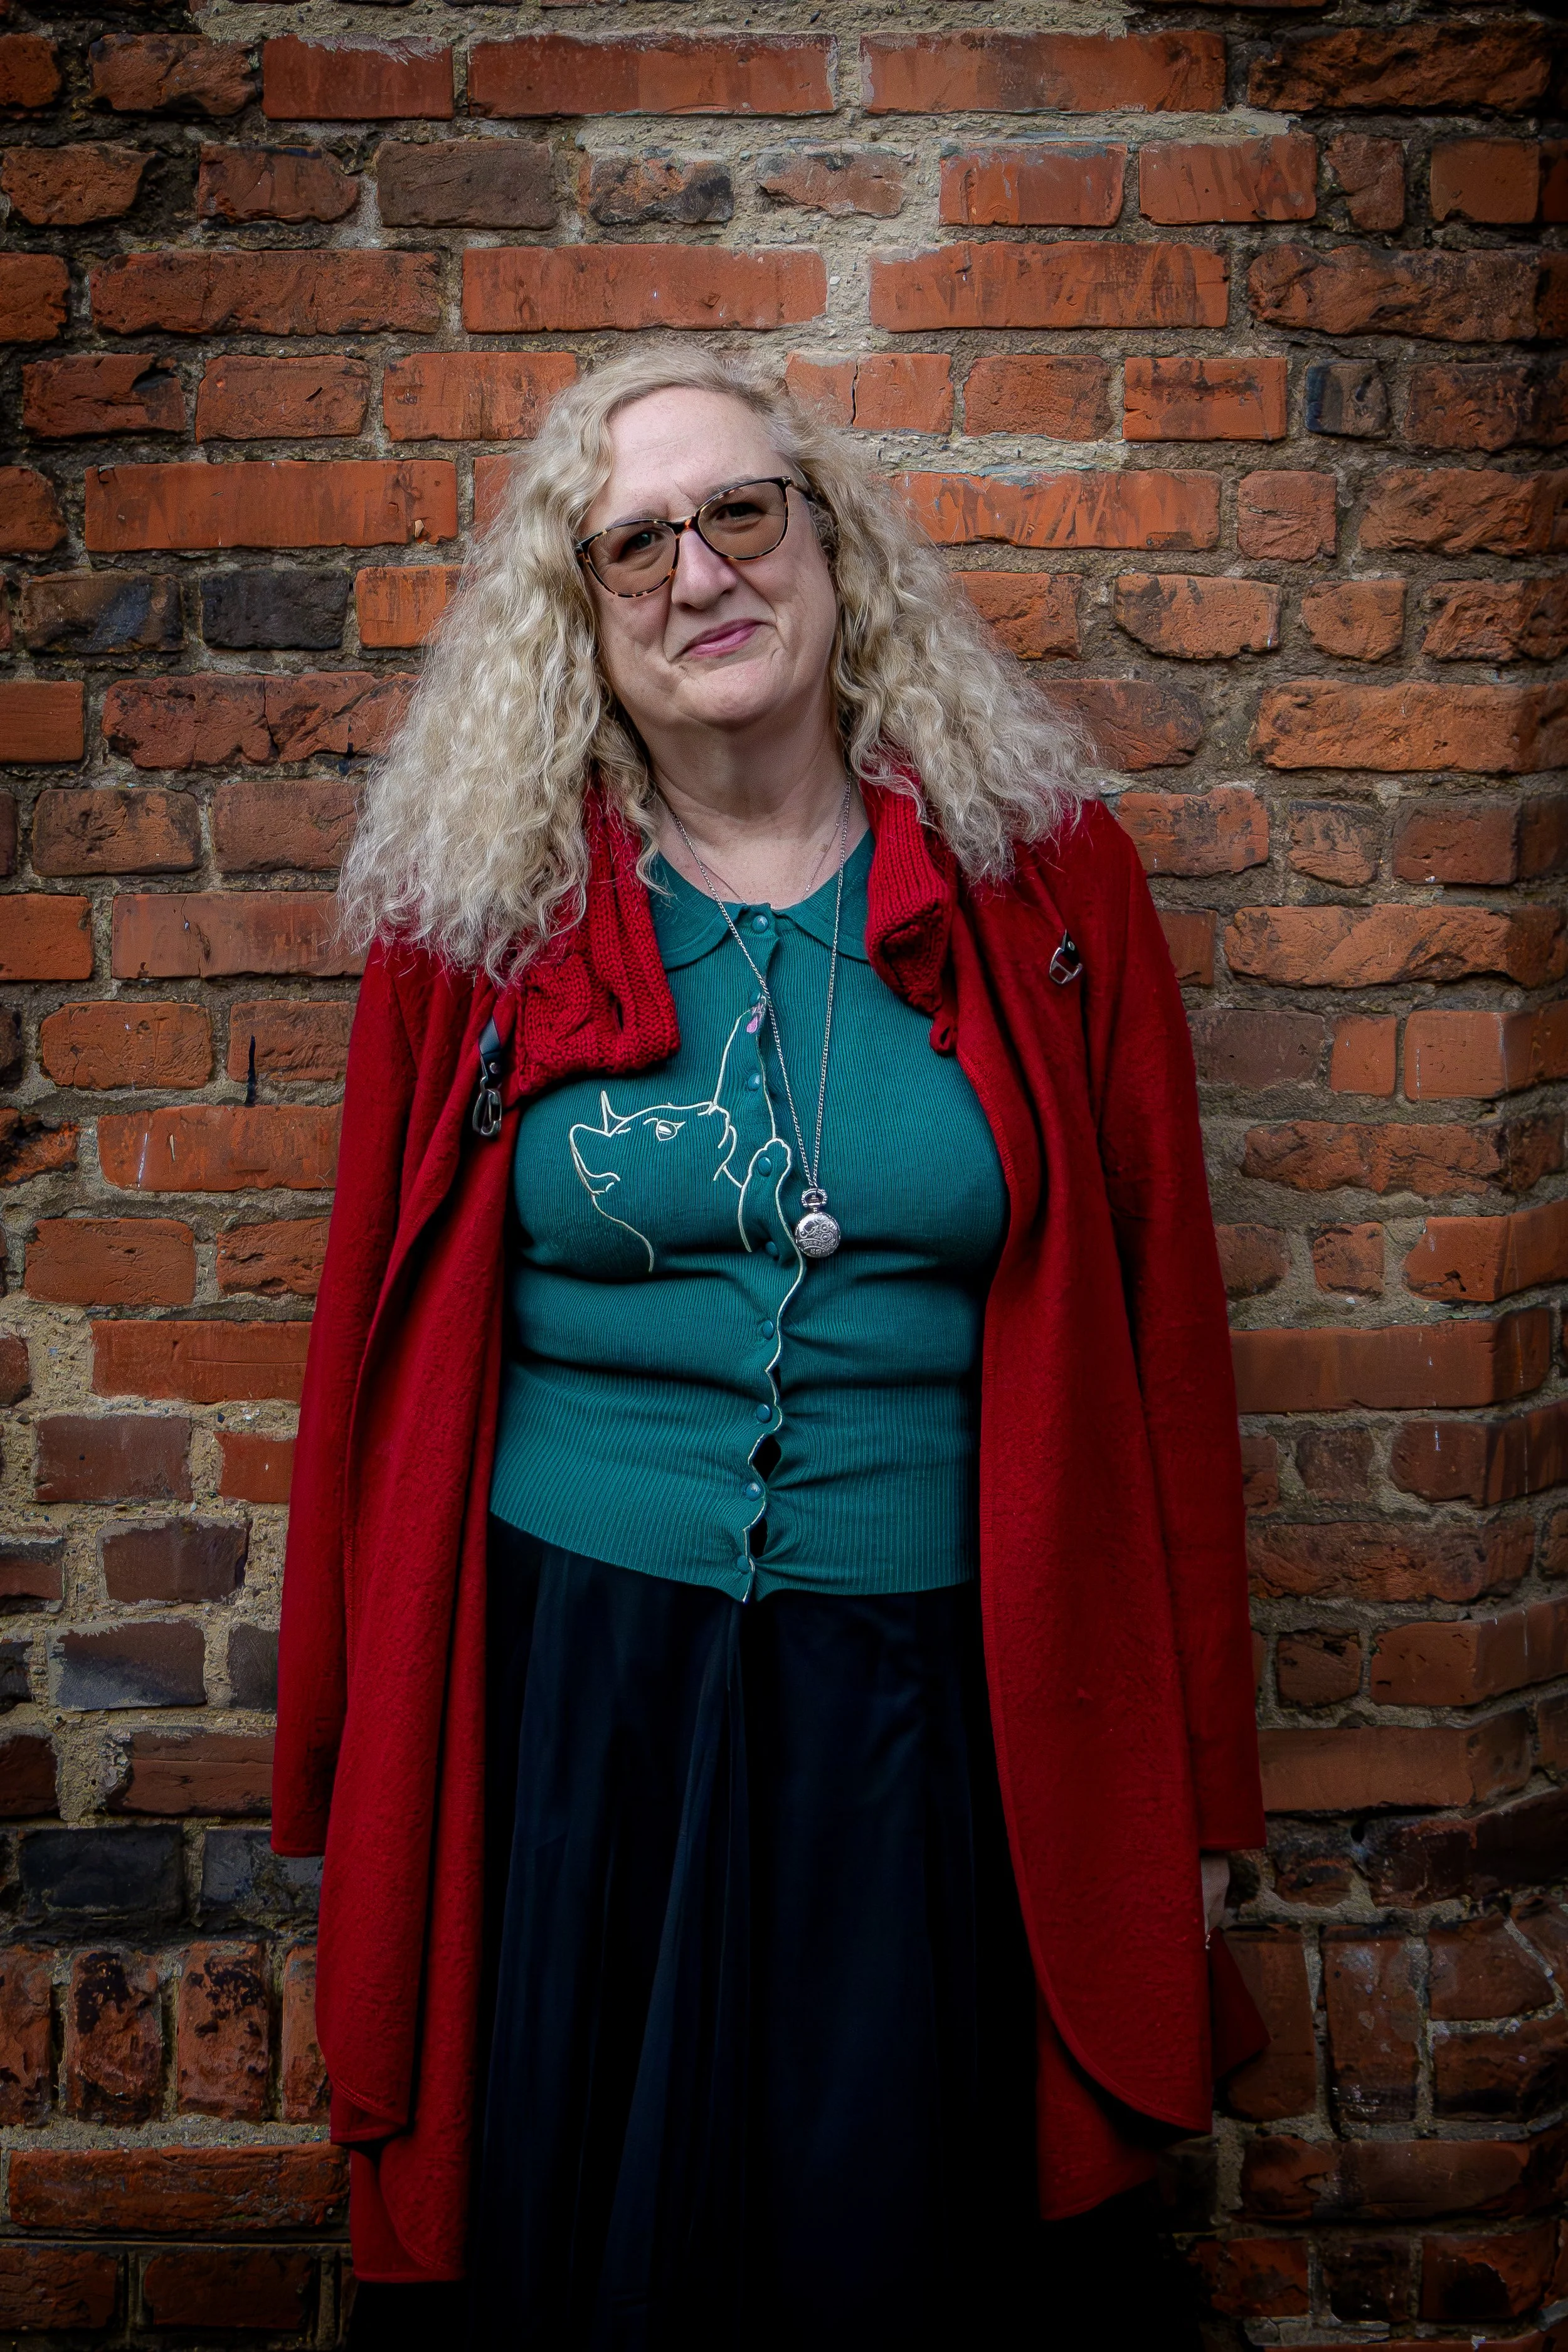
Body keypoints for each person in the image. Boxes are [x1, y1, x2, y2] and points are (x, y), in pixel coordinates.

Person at [273, 346, 1266, 2351]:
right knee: (589, 2242)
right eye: (632, 544)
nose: (698, 575)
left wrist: (1192, 1786)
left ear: (830, 548)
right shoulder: (475, 916)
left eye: (740, 512)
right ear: (577, 614)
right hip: (577, 1686)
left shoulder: (1047, 884)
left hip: (931, 1690)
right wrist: (348, 1748)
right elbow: (364, 1361)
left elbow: (1162, 1345)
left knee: (895, 2242)